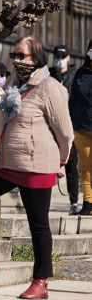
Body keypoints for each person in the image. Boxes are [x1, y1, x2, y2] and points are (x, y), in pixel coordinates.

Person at [0, 36, 73, 300]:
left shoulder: (50, 87)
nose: (19, 61)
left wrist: (61, 160)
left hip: (37, 165)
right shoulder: (14, 84)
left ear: (37, 57)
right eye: (15, 56)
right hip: (8, 163)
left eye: (24, 56)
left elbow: (65, 132)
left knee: (38, 225)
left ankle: (41, 281)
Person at [50, 45, 80, 215]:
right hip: (52, 124)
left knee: (71, 165)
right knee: (47, 161)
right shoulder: (49, 74)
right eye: (57, 56)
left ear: (68, 57)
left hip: (70, 123)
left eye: (62, 56)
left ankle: (74, 200)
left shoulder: (75, 75)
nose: (59, 59)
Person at [68, 40, 92, 216]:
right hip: (81, 126)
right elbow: (73, 99)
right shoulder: (80, 73)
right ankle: (88, 204)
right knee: (85, 167)